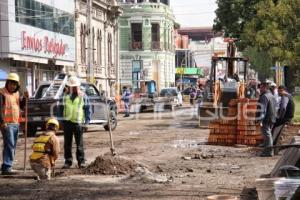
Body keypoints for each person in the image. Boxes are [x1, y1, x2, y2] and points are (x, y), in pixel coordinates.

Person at [59, 76, 91, 169]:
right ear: (68, 87)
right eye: (71, 86)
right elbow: (60, 109)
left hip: (78, 123)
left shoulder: (83, 96)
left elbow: (87, 109)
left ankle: (81, 161)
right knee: (67, 144)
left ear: (78, 86)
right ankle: (68, 162)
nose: (73, 88)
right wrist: (61, 121)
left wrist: (87, 122)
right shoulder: (64, 97)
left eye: (75, 86)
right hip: (67, 123)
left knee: (79, 144)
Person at [0, 73, 28, 175]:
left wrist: (25, 98)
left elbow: (20, 106)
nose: (13, 86)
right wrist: (2, 122)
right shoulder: (2, 93)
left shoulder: (16, 94)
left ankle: (7, 166)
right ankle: (7, 167)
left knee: (12, 145)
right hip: (7, 124)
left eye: (15, 84)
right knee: (10, 144)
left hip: (15, 123)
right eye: (11, 84)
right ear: (7, 83)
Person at [256, 82, 277, 157]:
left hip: (266, 119)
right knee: (268, 135)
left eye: (261, 87)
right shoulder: (271, 95)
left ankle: (268, 152)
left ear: (265, 88)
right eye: (260, 87)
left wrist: (260, 120)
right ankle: (268, 150)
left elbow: (263, 110)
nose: (260, 89)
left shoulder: (264, 96)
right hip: (272, 118)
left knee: (267, 135)